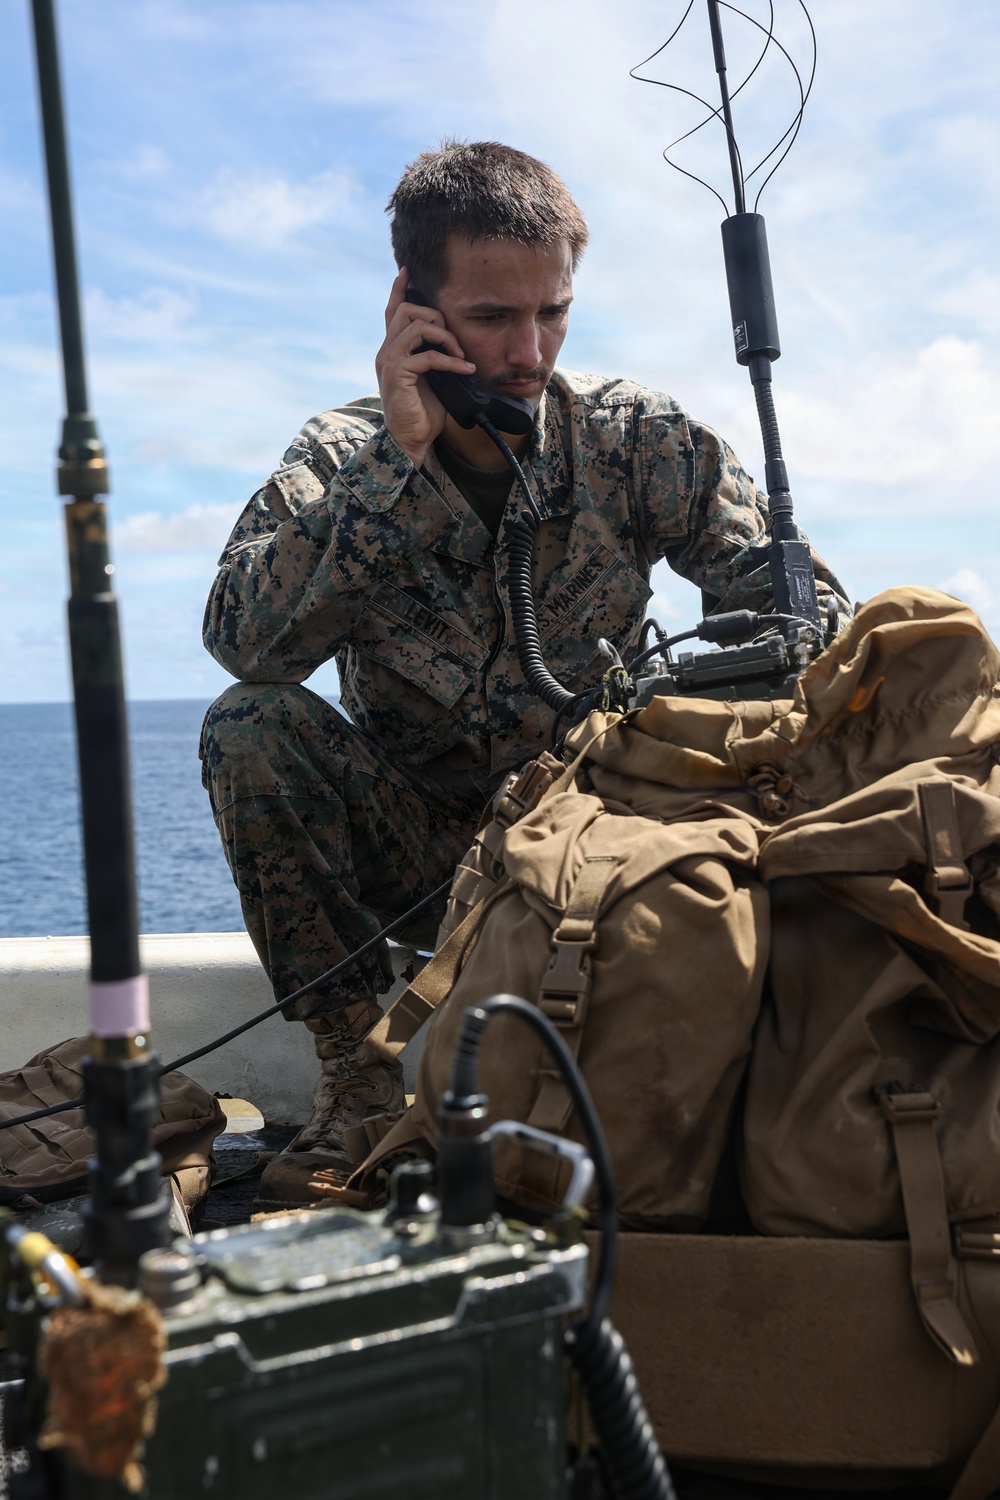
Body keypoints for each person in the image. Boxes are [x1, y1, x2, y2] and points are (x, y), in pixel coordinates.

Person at [200, 140, 847, 1209]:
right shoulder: (342, 454)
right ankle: (359, 1079)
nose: (529, 351)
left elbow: (802, 618)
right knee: (248, 727)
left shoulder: (631, 438)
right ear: (412, 307)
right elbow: (247, 645)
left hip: (595, 842)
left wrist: (703, 710)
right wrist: (394, 469)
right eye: (494, 318)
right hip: (420, 860)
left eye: (552, 313)